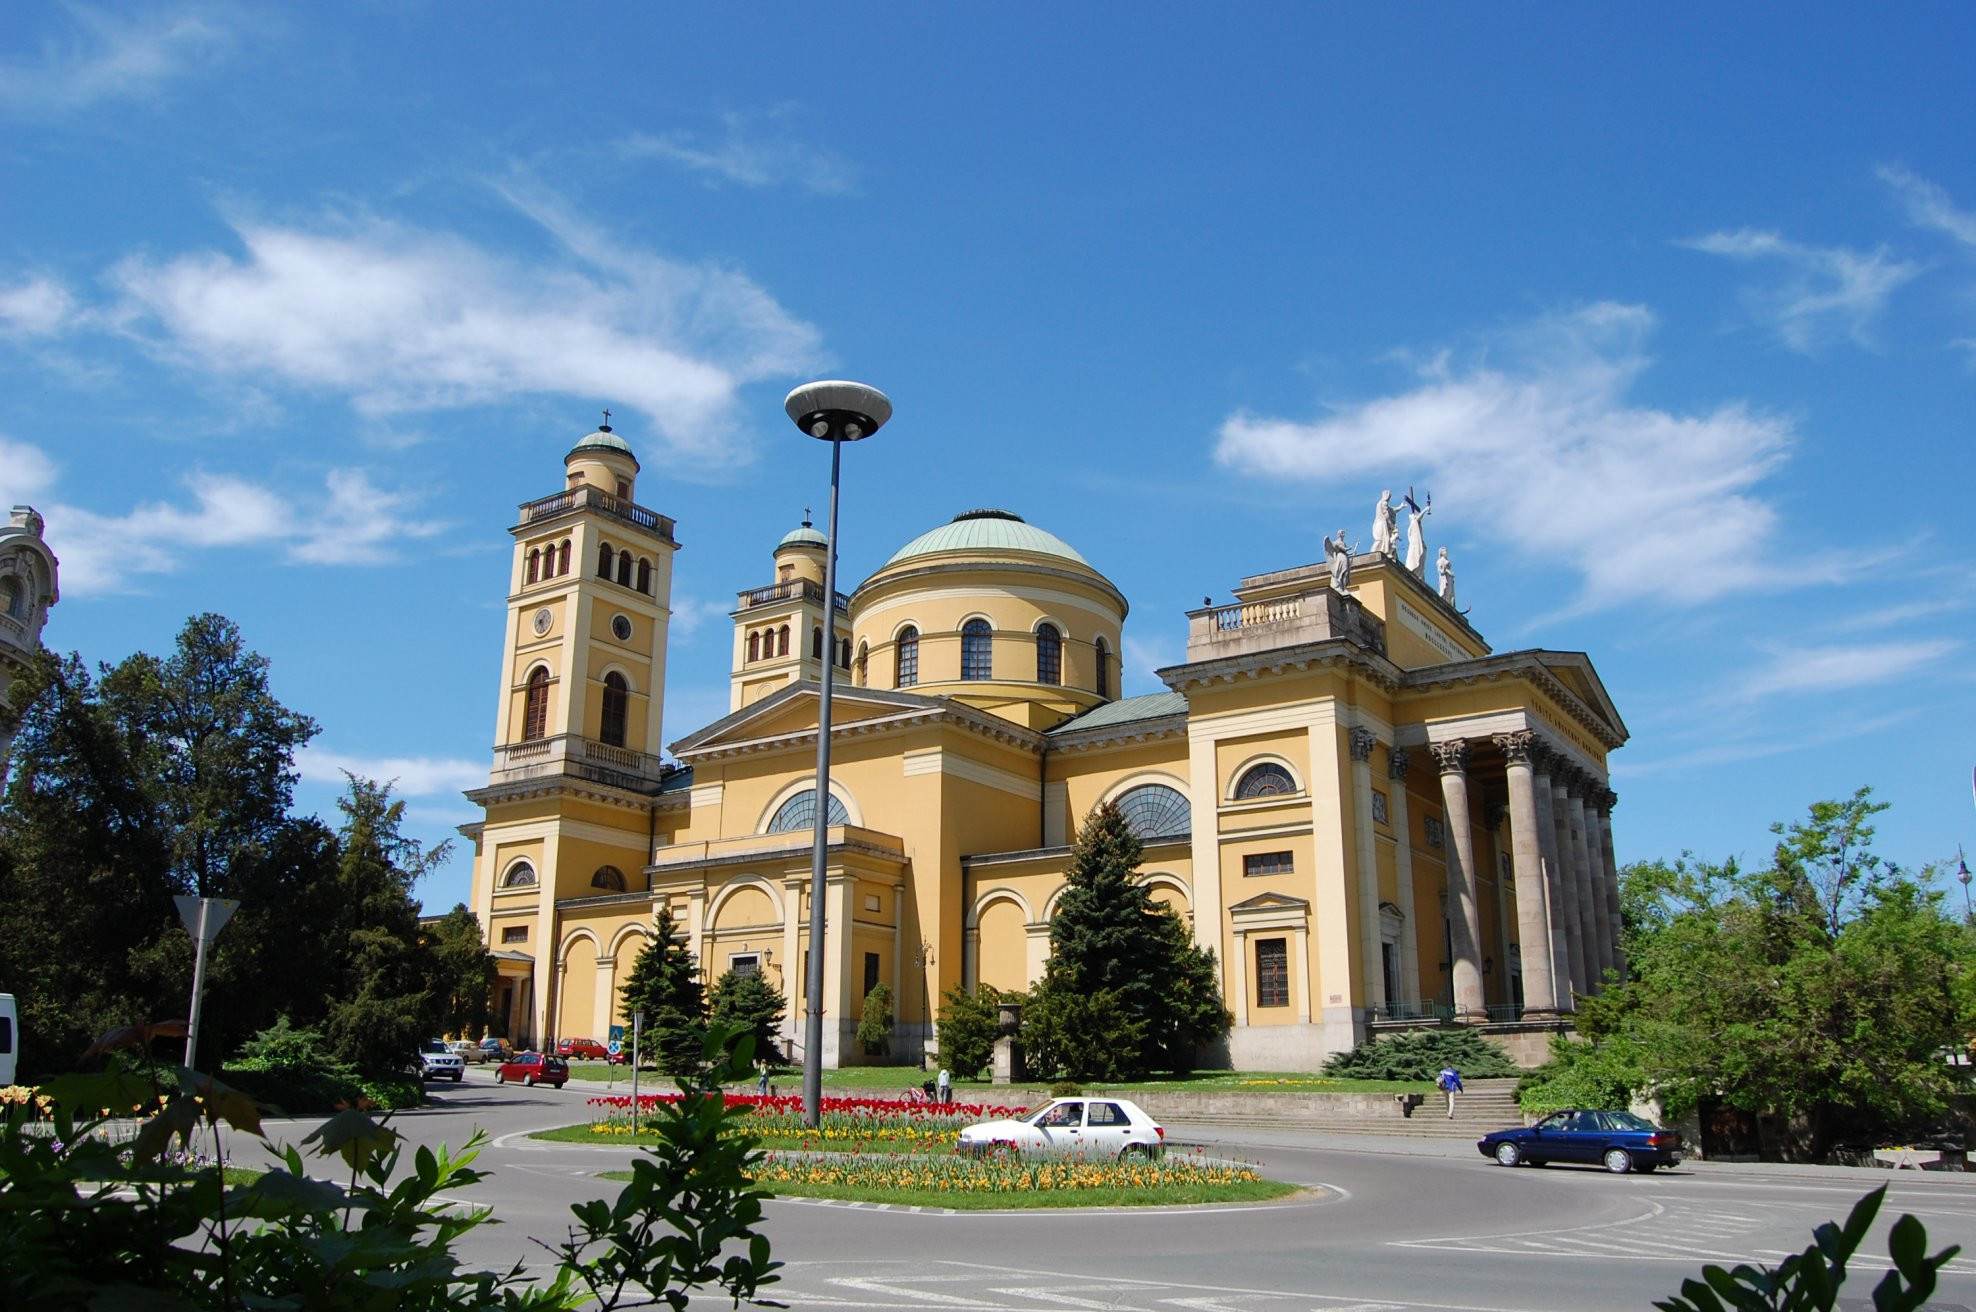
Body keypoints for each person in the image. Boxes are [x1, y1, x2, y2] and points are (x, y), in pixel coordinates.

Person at [1371, 490, 1398, 557]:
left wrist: (1401, 506)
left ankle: (1375, 553)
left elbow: (1392, 510)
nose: (1389, 498)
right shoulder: (1384, 503)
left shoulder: (1380, 503)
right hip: (1382, 525)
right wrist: (1392, 525)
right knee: (1380, 540)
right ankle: (1373, 555)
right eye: (1389, 496)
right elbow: (1386, 515)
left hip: (1378, 524)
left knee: (1381, 540)